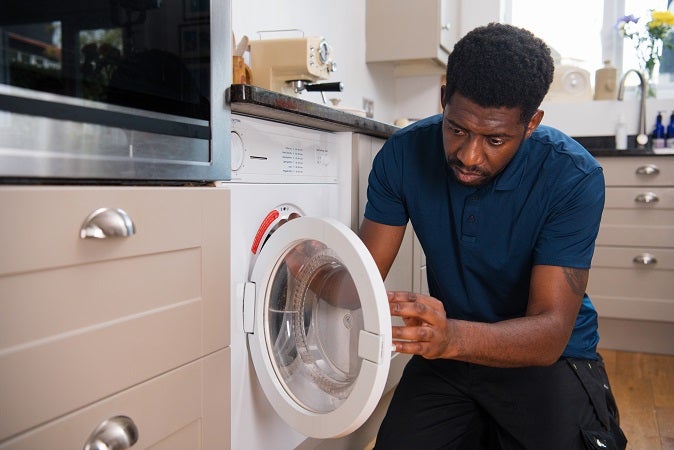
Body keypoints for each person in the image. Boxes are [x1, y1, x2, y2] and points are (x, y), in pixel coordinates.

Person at [360, 23, 627, 449]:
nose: (468, 155)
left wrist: (451, 336)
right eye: (458, 129)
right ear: (444, 98)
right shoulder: (403, 153)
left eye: (495, 139)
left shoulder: (572, 176)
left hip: (545, 358)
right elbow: (361, 277)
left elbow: (551, 332)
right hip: (450, 356)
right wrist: (304, 263)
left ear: (532, 123)